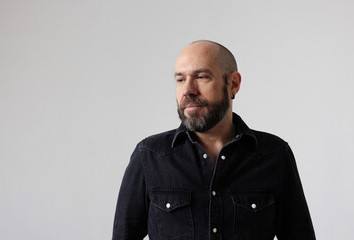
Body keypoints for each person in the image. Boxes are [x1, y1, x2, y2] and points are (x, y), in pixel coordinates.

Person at [112, 40, 316, 240]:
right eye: (180, 79)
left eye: (201, 77)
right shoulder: (149, 155)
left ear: (233, 84)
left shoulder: (274, 155)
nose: (188, 90)